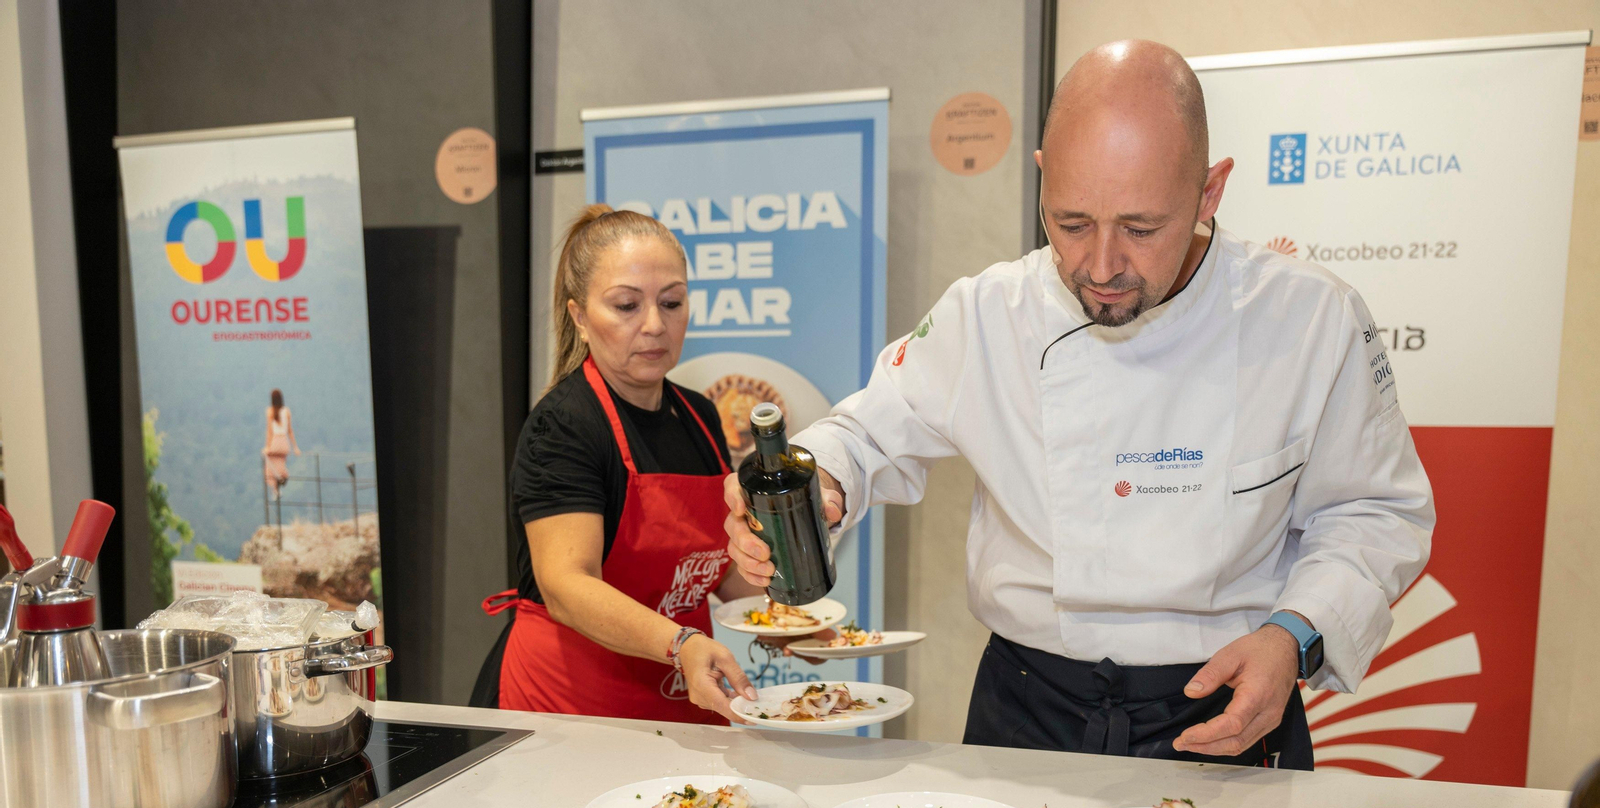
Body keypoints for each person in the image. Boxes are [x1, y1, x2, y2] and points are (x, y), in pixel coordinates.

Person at [723, 40, 1435, 769]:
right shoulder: (989, 313)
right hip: (1025, 705)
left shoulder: (1310, 319)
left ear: (1209, 193)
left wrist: (1295, 635)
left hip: (1228, 702)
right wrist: (820, 480)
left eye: (1141, 229)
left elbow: (1376, 513)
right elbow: (864, 433)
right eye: (1069, 224)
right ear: (1042, 176)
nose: (1100, 265)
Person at [486, 205, 761, 724]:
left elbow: (716, 569)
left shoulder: (700, 416)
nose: (655, 325)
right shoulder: (563, 426)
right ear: (579, 318)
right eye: (627, 305)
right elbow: (567, 585)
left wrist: (788, 616)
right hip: (571, 708)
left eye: (672, 302)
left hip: (681, 696)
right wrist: (681, 644)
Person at [261, 388, 299, 498]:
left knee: (268, 462)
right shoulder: (286, 411)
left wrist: (267, 447)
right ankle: (282, 478)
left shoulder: (270, 411)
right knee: (280, 463)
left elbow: (269, 431)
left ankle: (275, 487)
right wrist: (295, 447)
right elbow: (290, 430)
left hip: (275, 442)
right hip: (284, 443)